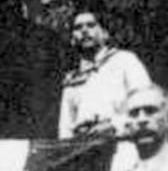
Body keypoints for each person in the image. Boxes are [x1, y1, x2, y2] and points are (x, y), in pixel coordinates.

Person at [58, 9, 151, 140]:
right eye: (78, 28)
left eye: (91, 25)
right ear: (72, 39)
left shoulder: (125, 61)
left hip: (124, 144)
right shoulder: (72, 79)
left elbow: (147, 105)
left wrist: (113, 125)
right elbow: (65, 129)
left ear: (105, 33)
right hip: (85, 149)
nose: (84, 31)